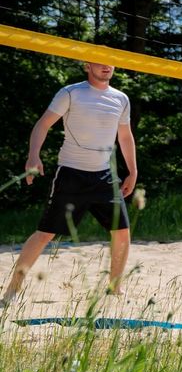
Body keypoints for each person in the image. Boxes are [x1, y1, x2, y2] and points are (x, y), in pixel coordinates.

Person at [1, 62, 137, 306]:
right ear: (87, 65)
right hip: (72, 175)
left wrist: (133, 171)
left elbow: (125, 136)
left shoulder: (121, 98)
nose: (106, 66)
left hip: (105, 177)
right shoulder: (71, 92)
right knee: (45, 234)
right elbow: (42, 125)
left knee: (122, 232)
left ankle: (115, 290)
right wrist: (33, 156)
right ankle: (13, 288)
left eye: (110, 61)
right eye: (99, 61)